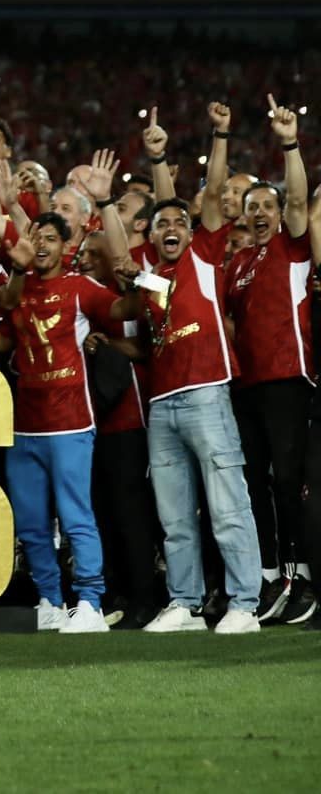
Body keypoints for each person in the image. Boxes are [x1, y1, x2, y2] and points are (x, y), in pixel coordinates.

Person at [99, 111, 263, 635]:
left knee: (227, 504)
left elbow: (210, 193)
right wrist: (105, 204)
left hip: (207, 393)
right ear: (152, 235)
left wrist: (214, 137)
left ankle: (245, 604)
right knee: (173, 516)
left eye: (179, 223)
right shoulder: (153, 274)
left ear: (194, 231)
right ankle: (185, 603)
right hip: (162, 403)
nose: (171, 229)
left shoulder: (206, 256)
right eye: (161, 224)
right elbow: (122, 257)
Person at [0, 213, 138, 634]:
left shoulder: (79, 286)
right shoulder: (18, 287)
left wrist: (134, 286)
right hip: (25, 424)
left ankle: (89, 602)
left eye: (51, 239)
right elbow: (5, 317)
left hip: (70, 421)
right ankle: (51, 601)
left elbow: (122, 308)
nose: (42, 245)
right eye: (37, 237)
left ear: (65, 247)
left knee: (75, 516)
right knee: (31, 522)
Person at [223, 97, 312, 624]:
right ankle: (272, 574)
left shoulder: (292, 247)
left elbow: (299, 197)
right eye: (250, 206)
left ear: (279, 214)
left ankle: (302, 577)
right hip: (248, 385)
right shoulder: (237, 264)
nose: (258, 213)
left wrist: (289, 144)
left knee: (287, 479)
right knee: (255, 481)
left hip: (287, 377)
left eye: (266, 206)